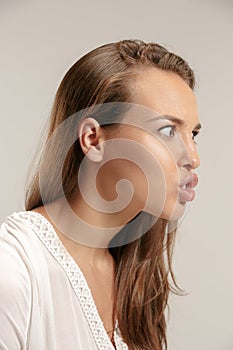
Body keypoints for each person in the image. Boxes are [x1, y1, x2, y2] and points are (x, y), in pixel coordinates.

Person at [0, 39, 202, 350]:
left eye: (193, 135)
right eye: (167, 131)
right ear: (93, 140)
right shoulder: (14, 269)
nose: (192, 157)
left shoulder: (136, 283)